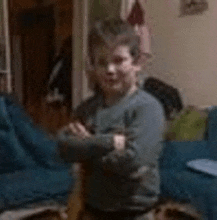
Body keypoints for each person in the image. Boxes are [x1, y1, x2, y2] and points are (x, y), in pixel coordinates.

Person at [56, 18, 165, 220]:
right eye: (101, 62)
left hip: (134, 214)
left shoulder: (148, 108)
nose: (110, 70)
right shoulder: (86, 108)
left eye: (118, 60)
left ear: (136, 63)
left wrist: (86, 146)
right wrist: (111, 141)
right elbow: (64, 147)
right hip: (91, 210)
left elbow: (133, 164)